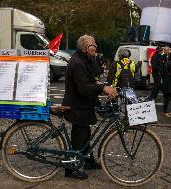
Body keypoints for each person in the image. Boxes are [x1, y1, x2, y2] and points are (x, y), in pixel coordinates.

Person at [62, 35, 117, 180]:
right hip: (77, 106)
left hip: (83, 105)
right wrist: (103, 88)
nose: (96, 47)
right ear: (86, 48)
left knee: (85, 134)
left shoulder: (85, 59)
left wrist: (99, 97)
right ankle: (70, 169)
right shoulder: (78, 62)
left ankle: (88, 160)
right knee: (78, 139)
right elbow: (84, 88)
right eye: (93, 45)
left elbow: (92, 78)